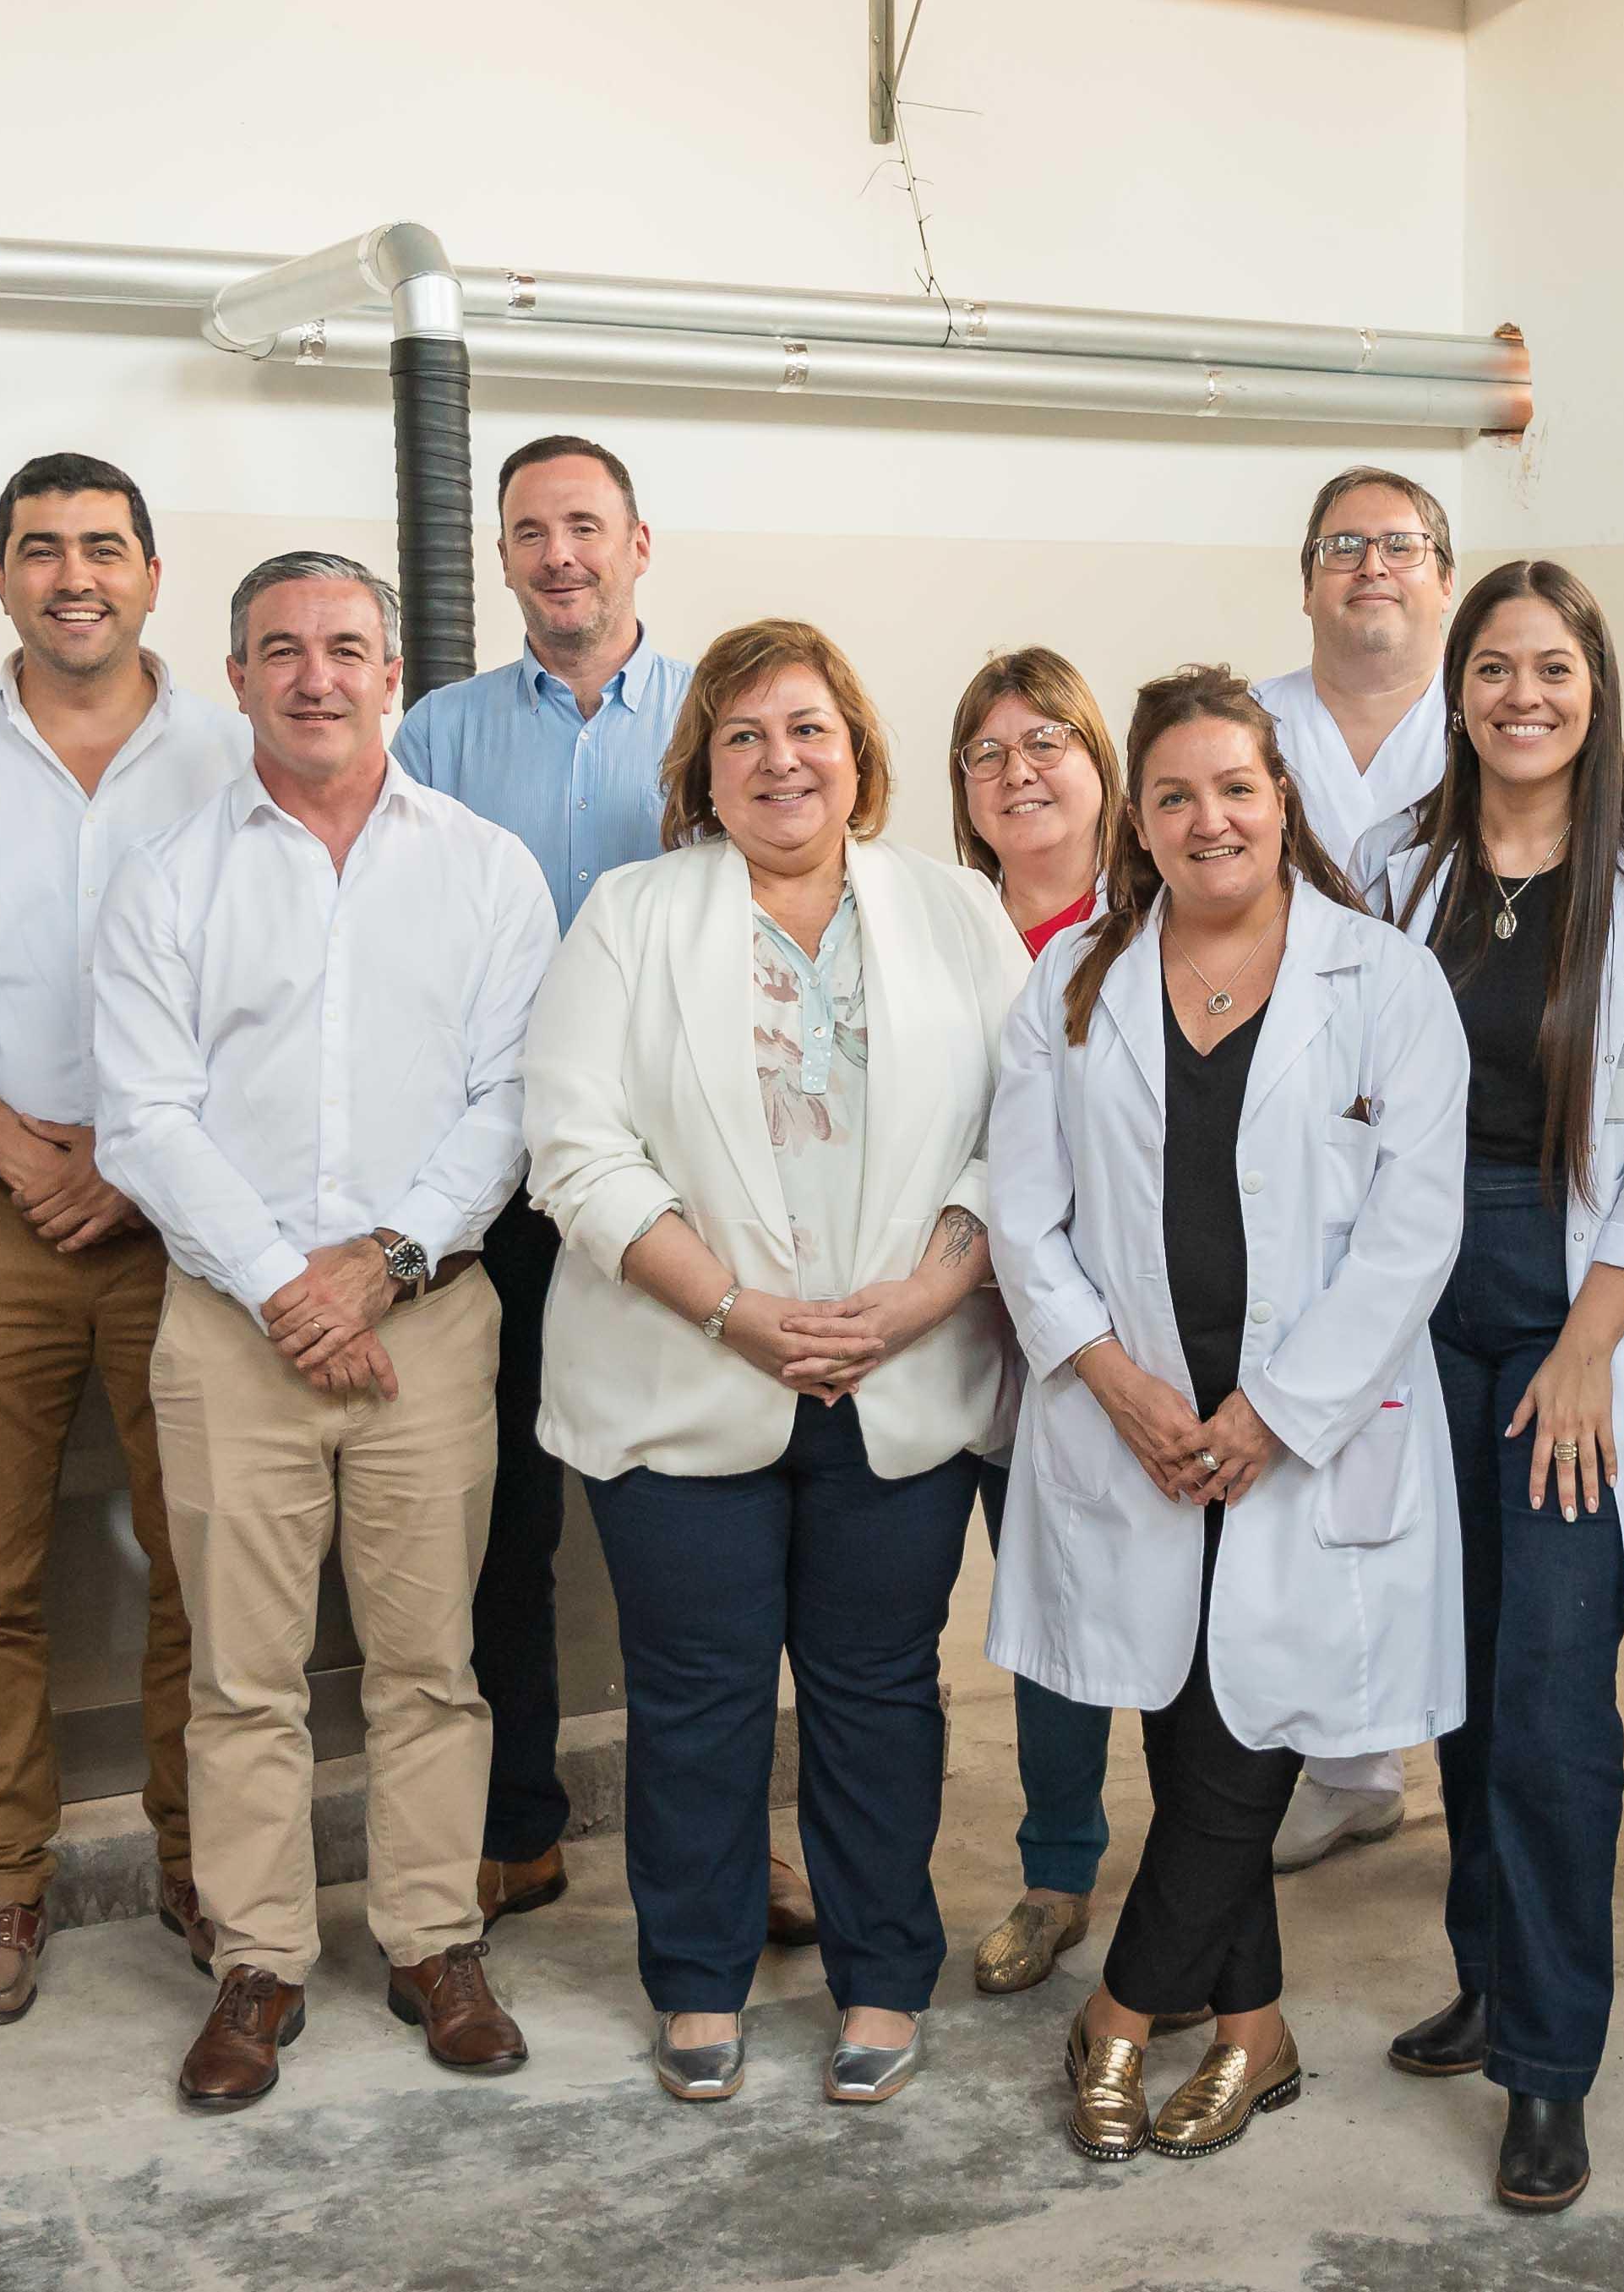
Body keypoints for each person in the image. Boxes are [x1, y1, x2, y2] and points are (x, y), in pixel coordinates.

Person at [523, 619, 1027, 2106]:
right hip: (684, 1377)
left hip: (901, 1376)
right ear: (702, 770)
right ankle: (697, 1972)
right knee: (697, 1694)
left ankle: (883, 1972)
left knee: (879, 1691)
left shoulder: (955, 913)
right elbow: (573, 1145)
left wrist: (922, 1297)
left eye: (806, 728)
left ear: (858, 752)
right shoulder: (631, 914)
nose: (779, 760)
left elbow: (1034, 1134)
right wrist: (736, 1308)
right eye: (742, 736)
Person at [990, 665, 1470, 2165]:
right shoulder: (1077, 981)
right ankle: (1255, 2034)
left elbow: (1416, 1227)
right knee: (1199, 1738)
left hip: (1302, 1437)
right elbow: (1022, 1216)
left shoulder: (1383, 980)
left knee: (1247, 1734)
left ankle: (1121, 2015)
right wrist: (1118, 1385)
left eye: (1238, 789)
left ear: (1284, 803)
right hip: (1134, 1434)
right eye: (1178, 794)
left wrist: (1279, 1408)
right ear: (1140, 817)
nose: (1211, 819)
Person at [94, 552, 552, 2110]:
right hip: (232, 1328)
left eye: (347, 648)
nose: (315, 676)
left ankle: (434, 1937)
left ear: (394, 675)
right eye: (280, 650)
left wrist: (389, 1262)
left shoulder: (487, 867)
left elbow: (513, 1100)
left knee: (433, 1662)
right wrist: (292, 1281)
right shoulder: (167, 876)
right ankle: (260, 1960)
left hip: (430, 1318)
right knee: (244, 1673)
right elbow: (142, 1118)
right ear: (233, 678)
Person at [391, 437, 821, 1942]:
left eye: (586, 525)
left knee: (719, 1517)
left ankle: (742, 1840)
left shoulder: (723, 716)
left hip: (704, 1193)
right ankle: (514, 1827)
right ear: (502, 558)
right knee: (500, 1511)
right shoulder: (436, 735)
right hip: (499, 1180)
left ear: (641, 540)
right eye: (530, 531)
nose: (560, 553)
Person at [1359, 561, 1624, 2212]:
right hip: (1414, 1299)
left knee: (1547, 1688)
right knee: (1447, 1666)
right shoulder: (1394, 867)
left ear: (1594, 691)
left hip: (1576, 1307)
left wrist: (1589, 1341)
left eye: (1553, 669)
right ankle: (1490, 1975)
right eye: (1495, 668)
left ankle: (1548, 2068)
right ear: (1456, 689)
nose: (1523, 695)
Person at [0, 452, 250, 2024]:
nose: (72, 573)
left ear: (154, 572)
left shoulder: (238, 751)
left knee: (201, 1567)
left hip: (192, 1219)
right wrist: (30, 1157)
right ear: (1, 576)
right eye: (40, 549)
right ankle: (1, 1889)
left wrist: (142, 1171)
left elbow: (275, 989)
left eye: (103, 546)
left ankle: (205, 1871)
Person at [1251, 462, 1460, 1869]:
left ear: (1444, 572)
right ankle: (1342, 1754)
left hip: (1463, 1131)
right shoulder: (1252, 729)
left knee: (1437, 1466)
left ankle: (1439, 1740)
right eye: (1343, 547)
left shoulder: (1501, 712)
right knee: (1313, 1443)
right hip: (1293, 1142)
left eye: (1401, 546)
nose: (1371, 568)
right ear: (1308, 576)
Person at [934, 648, 1148, 1997]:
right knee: (920, 1620)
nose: (1020, 772)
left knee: (1069, 1601)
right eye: (988, 753)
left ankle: (1064, 1868)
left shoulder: (1158, 921)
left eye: (1047, 742)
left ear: (1099, 768)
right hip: (942, 1327)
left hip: (1095, 1339)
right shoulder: (926, 920)